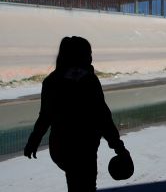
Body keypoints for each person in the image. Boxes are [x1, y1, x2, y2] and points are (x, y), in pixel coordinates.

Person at [24, 36, 131, 192]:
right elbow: (103, 118)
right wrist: (118, 147)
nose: (91, 57)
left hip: (61, 148)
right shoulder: (89, 81)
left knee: (75, 182)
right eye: (89, 53)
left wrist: (33, 141)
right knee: (86, 185)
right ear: (83, 56)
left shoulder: (51, 81)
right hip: (85, 147)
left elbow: (45, 116)